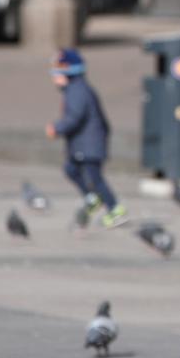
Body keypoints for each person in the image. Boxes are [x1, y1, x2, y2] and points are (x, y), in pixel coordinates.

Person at [46, 48, 126, 228]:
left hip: (89, 144)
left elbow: (74, 117)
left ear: (68, 74)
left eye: (57, 74)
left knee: (95, 178)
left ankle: (114, 209)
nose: (54, 78)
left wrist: (57, 128)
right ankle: (93, 198)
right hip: (84, 144)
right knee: (71, 169)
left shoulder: (77, 91)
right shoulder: (76, 89)